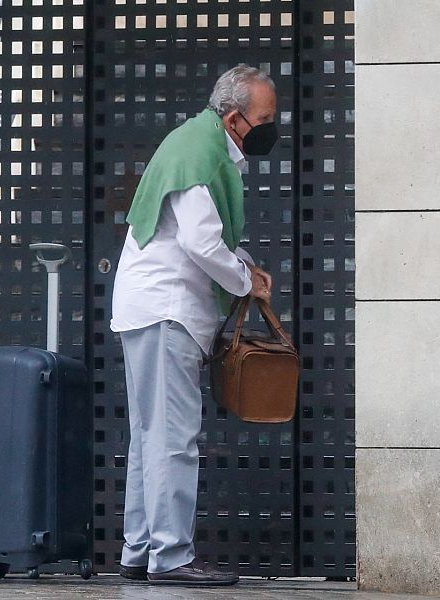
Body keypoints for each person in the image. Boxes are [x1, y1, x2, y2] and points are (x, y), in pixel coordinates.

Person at [109, 64, 278, 586]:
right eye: (265, 118)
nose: (272, 127)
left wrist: (242, 266)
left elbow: (204, 238)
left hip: (150, 309)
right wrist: (245, 280)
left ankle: (140, 550)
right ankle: (170, 556)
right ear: (233, 118)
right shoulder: (200, 153)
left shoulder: (195, 142)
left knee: (150, 436)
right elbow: (201, 243)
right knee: (173, 438)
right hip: (166, 310)